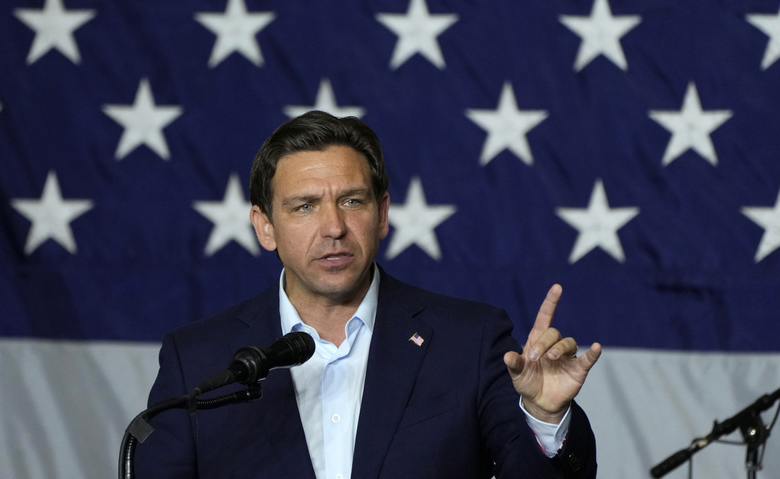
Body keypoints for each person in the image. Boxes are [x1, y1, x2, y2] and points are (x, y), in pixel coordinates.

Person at [136, 111, 601, 478]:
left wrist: (544, 416)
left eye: (352, 201)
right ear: (265, 227)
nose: (334, 227)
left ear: (381, 214)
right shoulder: (197, 361)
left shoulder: (469, 341)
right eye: (305, 206)